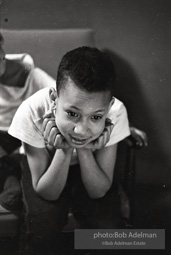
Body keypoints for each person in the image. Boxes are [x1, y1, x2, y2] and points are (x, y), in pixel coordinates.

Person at [9, 46, 131, 254]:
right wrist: (64, 150)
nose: (81, 130)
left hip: (88, 166)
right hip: (47, 165)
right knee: (44, 228)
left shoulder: (116, 112)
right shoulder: (31, 111)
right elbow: (47, 192)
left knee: (109, 229)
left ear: (108, 107)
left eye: (95, 117)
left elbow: (98, 191)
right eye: (72, 114)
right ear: (55, 100)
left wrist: (82, 149)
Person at [0, 32, 55, 211]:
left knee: (36, 145)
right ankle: (10, 178)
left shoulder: (33, 75)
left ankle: (13, 177)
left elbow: (66, 98)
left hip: (25, 135)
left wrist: (117, 121)